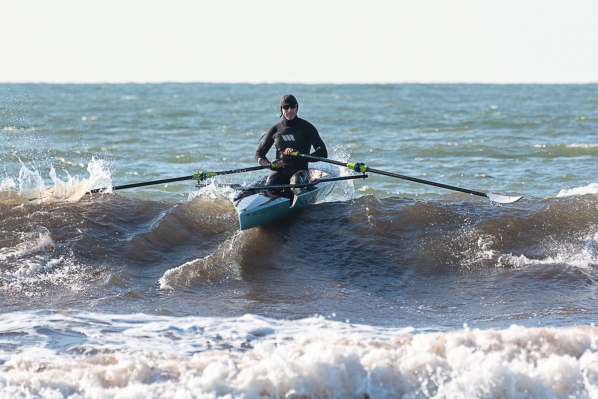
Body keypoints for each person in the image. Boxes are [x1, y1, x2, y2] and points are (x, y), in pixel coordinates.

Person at [255, 94, 328, 197]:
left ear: (297, 107)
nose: (289, 110)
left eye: (293, 107)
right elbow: (259, 154)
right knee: (269, 186)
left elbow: (323, 153)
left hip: (301, 171)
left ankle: (299, 198)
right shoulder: (275, 130)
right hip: (280, 172)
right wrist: (270, 165)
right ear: (281, 109)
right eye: (286, 107)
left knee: (296, 182)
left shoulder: (307, 127)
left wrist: (301, 155)